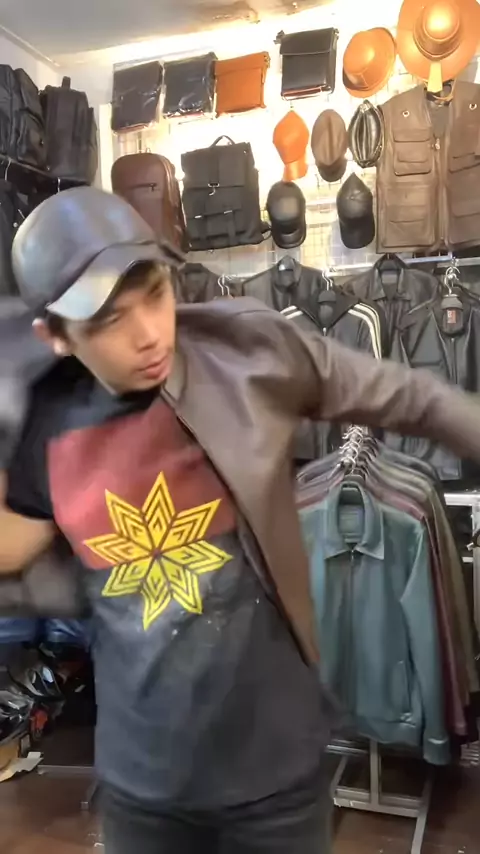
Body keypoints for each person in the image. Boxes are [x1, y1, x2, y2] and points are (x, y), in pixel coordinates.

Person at [2, 186, 480, 854]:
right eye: (110, 319)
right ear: (55, 335)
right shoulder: (42, 426)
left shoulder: (246, 355)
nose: (149, 333)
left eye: (155, 293)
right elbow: (14, 544)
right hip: (142, 785)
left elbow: (406, 396)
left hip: (272, 775)